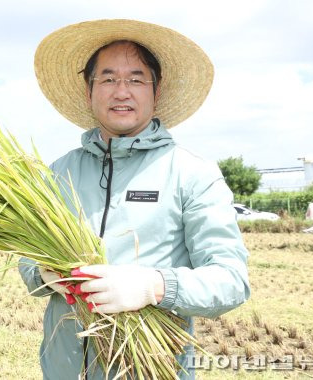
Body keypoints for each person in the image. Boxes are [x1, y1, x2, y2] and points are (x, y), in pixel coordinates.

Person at [19, 19, 250, 380]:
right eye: (108, 79)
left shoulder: (191, 173)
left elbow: (231, 281)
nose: (121, 91)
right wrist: (44, 274)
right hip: (61, 369)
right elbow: (27, 259)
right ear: (88, 89)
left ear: (156, 92)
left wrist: (154, 286)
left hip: (150, 369)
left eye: (136, 79)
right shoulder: (57, 173)